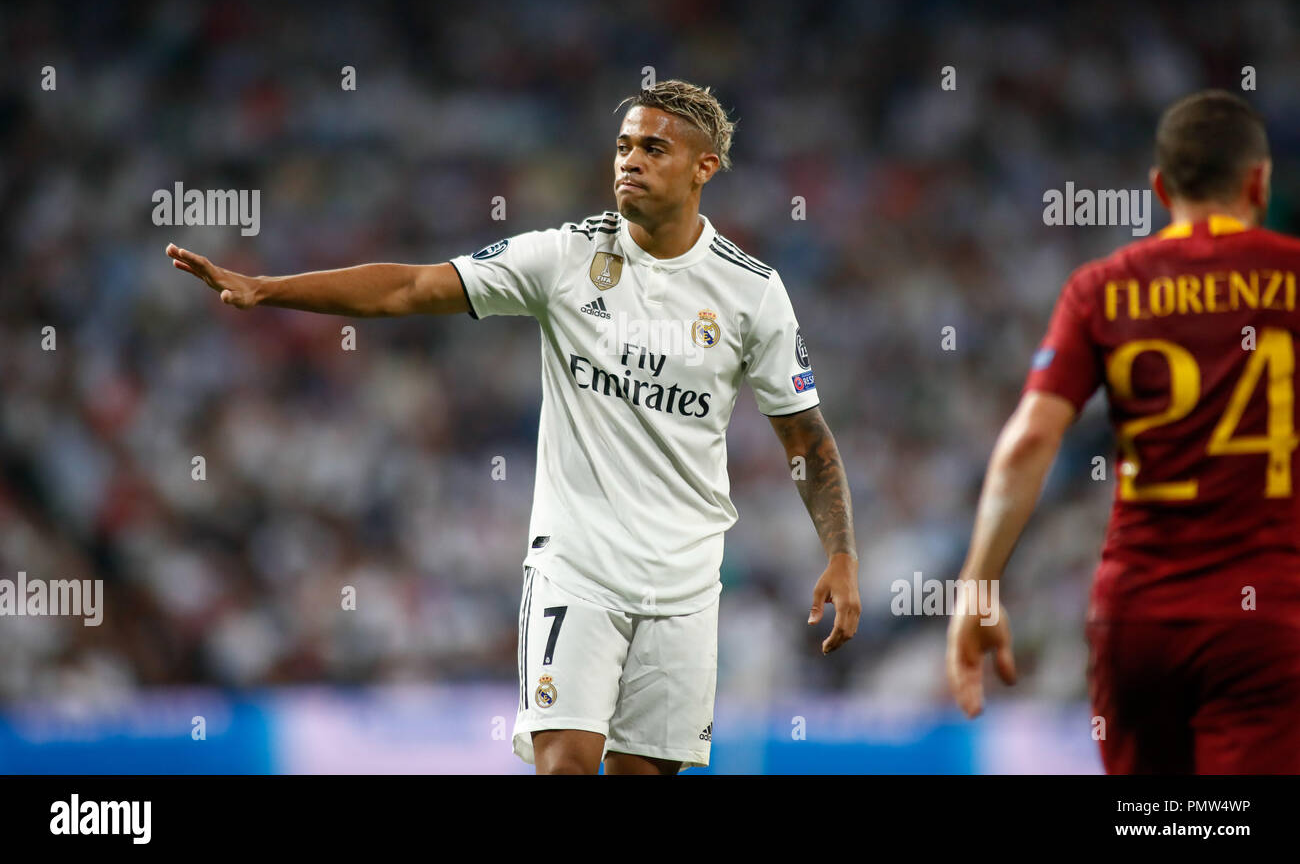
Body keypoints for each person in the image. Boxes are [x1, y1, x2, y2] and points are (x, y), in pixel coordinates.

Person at [166, 79, 860, 774]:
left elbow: (806, 437)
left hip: (685, 583)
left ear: (704, 167)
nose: (630, 161)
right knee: (566, 763)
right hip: (576, 566)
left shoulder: (751, 292)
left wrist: (841, 554)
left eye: (654, 148)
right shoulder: (564, 259)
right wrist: (269, 289)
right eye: (623, 147)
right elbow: (413, 286)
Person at [947, 89, 1300, 773]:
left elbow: (1028, 440)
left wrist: (978, 585)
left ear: (1161, 188)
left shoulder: (1102, 288)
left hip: (1138, 619)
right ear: (1258, 181)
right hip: (1265, 616)